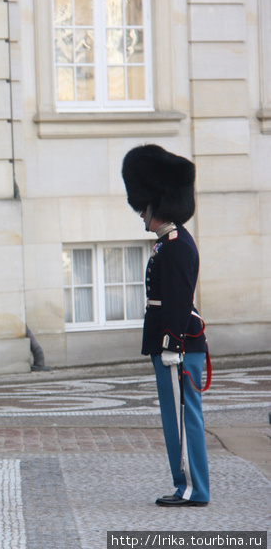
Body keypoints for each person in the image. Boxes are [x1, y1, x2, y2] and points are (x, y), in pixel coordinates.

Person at [122, 144, 209, 507]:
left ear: (157, 205)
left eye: (144, 209)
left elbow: (176, 301)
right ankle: (185, 484)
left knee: (183, 425)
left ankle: (192, 489)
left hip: (178, 347)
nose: (142, 216)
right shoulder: (168, 244)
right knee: (177, 422)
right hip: (172, 344)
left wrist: (172, 345)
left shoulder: (175, 246)